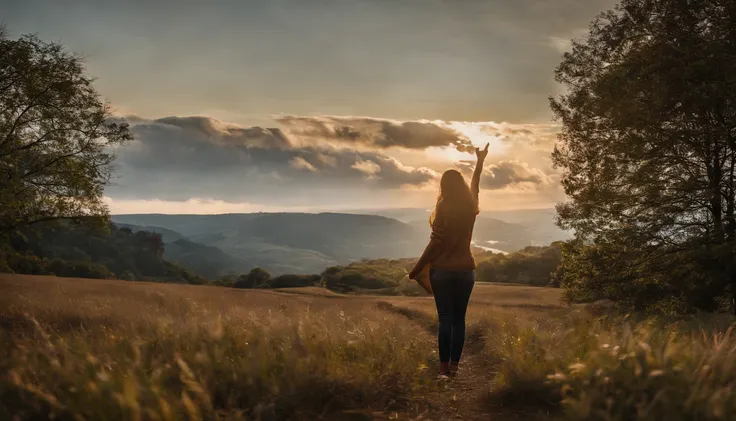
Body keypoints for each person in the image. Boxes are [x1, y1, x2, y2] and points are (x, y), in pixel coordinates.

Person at [408, 143, 488, 378]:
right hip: (466, 272)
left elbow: (436, 242)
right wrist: (480, 161)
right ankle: (454, 366)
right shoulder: (471, 206)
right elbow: (476, 185)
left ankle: (443, 369)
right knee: (459, 320)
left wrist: (417, 268)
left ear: (443, 186)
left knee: (445, 319)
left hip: (442, 271)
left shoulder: (443, 206)